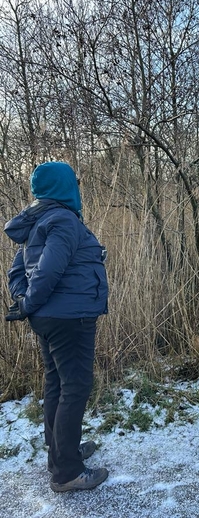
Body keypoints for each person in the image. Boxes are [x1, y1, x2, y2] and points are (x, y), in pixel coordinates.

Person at [4, 161, 109, 493]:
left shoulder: (40, 220)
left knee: (57, 385)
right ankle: (66, 472)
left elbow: (17, 269)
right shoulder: (62, 220)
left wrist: (24, 300)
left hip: (52, 317)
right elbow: (48, 271)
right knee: (75, 387)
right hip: (70, 317)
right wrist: (28, 302)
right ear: (64, 187)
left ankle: (62, 453)